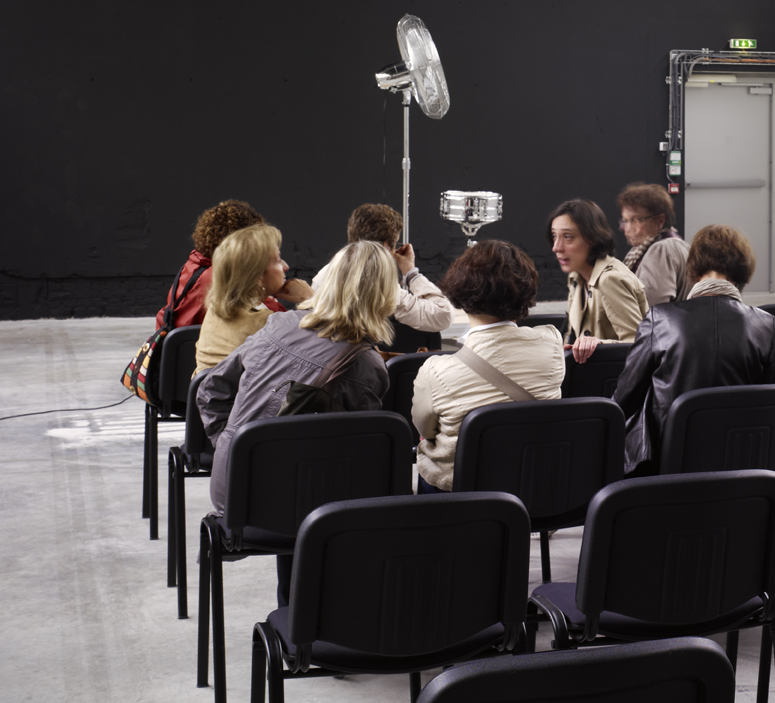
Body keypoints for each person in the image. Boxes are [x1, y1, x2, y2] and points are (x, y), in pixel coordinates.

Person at [196, 240, 397, 604]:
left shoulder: (278, 324)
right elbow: (364, 459)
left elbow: (210, 389)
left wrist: (235, 446)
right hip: (305, 508)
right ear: (385, 296)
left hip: (236, 495)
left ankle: (294, 613)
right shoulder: (367, 366)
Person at [613, 224, 775, 475]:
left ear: (695, 267)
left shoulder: (660, 318)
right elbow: (768, 402)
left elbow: (625, 398)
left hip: (667, 466)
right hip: (739, 464)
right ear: (743, 271)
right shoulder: (766, 324)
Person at [411, 241, 564, 493]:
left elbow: (424, 429)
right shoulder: (551, 343)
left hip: (462, 492)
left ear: (460, 290)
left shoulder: (435, 370)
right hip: (531, 487)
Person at [155, 199, 310, 329]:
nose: (286, 266)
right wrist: (309, 298)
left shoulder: (193, 267)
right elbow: (288, 329)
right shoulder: (226, 279)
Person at [310, 203, 454, 337]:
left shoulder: (323, 275)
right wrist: (411, 272)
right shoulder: (379, 284)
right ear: (385, 247)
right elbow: (443, 315)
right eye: (395, 244)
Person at [548, 198, 647, 363]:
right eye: (554, 236)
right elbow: (571, 336)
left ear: (592, 238)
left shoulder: (611, 279)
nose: (556, 247)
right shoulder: (576, 276)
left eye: (568, 237)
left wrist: (600, 344)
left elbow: (639, 344)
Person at [191, 224, 293, 375]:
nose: (286, 266)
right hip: (243, 397)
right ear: (257, 275)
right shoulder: (267, 322)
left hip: (206, 395)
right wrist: (309, 299)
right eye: (278, 260)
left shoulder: (216, 307)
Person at [616, 182, 688, 308]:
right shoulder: (681, 244)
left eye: (635, 220)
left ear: (660, 221)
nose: (626, 228)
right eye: (625, 220)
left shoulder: (660, 250)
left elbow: (650, 309)